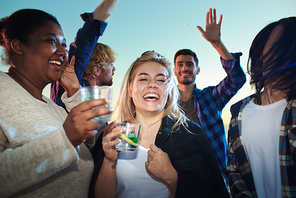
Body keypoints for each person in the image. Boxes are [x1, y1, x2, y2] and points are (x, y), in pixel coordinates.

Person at [0, 0, 118, 197]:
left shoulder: (53, 107)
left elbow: (88, 142)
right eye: (52, 41)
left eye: (64, 45)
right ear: (18, 46)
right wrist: (65, 138)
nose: (64, 53)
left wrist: (73, 90)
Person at [89, 51, 230, 198]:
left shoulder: (191, 133)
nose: (152, 85)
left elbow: (213, 192)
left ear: (169, 90)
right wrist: (109, 161)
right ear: (130, 88)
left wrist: (172, 177)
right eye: (143, 79)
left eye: (161, 80)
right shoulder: (115, 135)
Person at [226, 17, 296, 197]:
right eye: (277, 48)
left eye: (290, 50)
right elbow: (234, 172)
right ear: (260, 54)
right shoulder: (238, 112)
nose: (282, 57)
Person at [173, 8, 246, 181]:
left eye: (189, 64)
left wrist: (217, 44)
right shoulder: (166, 103)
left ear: (197, 69)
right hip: (178, 177)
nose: (184, 68)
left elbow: (237, 79)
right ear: (174, 70)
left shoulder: (210, 97)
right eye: (180, 64)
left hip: (215, 175)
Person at [51, 2, 117, 109]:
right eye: (110, 64)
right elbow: (85, 43)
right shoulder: (71, 76)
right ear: (96, 70)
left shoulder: (96, 100)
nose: (114, 68)